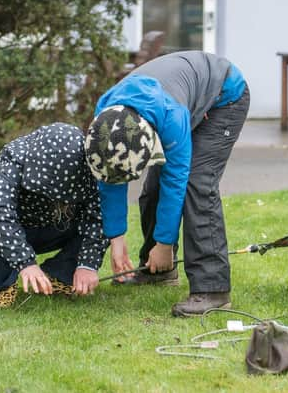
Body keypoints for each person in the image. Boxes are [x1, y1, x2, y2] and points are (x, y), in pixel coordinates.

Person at [85, 50, 249, 317]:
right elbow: (108, 176)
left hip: (225, 96)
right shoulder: (106, 118)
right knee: (152, 188)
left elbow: (176, 180)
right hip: (177, 96)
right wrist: (116, 238)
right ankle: (157, 271)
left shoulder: (172, 117)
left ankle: (213, 289)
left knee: (197, 184)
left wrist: (164, 243)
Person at [0, 123, 109, 308]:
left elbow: (97, 215)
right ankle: (2, 286)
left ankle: (58, 276)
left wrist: (88, 264)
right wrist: (25, 263)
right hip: (10, 229)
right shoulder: (15, 155)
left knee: (107, 216)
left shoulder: (88, 165)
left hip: (55, 226)